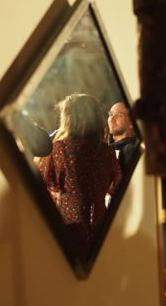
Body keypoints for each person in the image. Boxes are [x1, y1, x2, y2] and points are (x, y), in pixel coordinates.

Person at [37, 93, 122, 259]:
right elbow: (116, 185)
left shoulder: (58, 149)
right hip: (101, 223)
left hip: (69, 223)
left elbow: (46, 182)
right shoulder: (107, 151)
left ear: (69, 119)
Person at [107, 102, 139, 174]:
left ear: (131, 123)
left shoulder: (133, 150)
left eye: (119, 115)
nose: (111, 119)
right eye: (110, 114)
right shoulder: (107, 148)